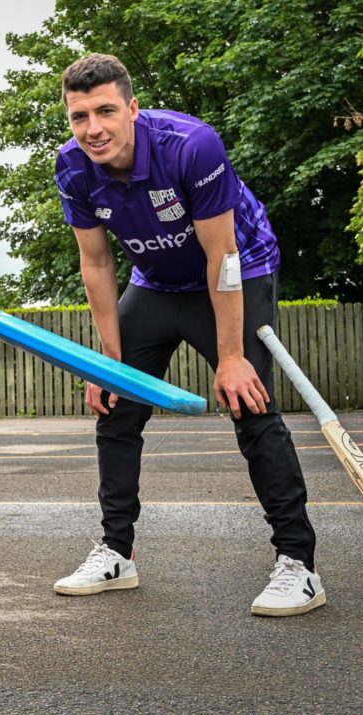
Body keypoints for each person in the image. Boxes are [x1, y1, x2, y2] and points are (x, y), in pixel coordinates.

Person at [51, 53, 322, 617]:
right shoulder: (73, 166)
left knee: (249, 403)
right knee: (115, 404)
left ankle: (299, 564)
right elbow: (96, 263)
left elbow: (221, 255)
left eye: (105, 111)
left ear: (132, 108)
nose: (93, 128)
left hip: (237, 270)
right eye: (80, 117)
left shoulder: (191, 146)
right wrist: (110, 361)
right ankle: (116, 554)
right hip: (155, 282)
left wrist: (230, 356)